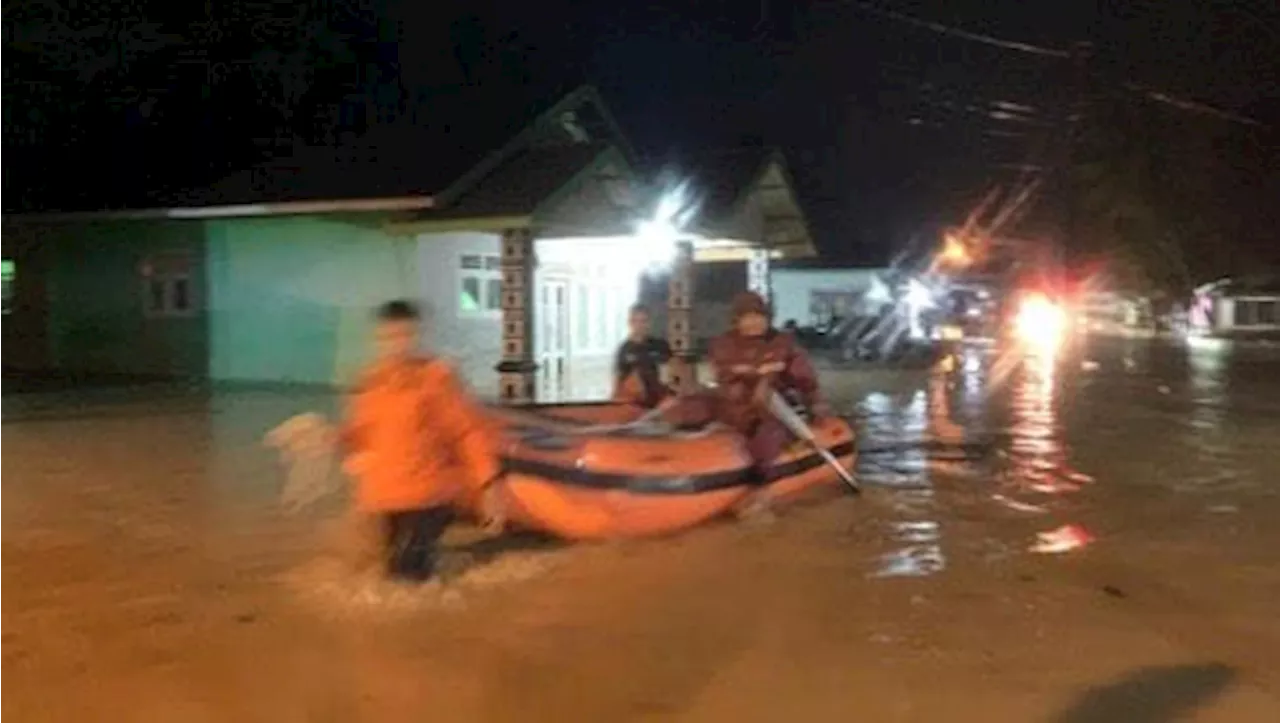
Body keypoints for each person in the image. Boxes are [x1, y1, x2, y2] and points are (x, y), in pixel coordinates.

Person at [338, 300, 500, 583]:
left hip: (429, 495)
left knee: (405, 579)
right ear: (378, 339)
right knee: (390, 570)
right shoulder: (370, 382)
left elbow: (467, 432)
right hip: (385, 497)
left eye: (405, 335)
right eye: (390, 337)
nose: (397, 344)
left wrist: (489, 485)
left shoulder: (436, 378)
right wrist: (329, 436)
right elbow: (361, 437)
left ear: (416, 336)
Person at [709, 291, 825, 510]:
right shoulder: (724, 344)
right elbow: (723, 375)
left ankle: (763, 488)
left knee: (768, 435)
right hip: (735, 410)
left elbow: (805, 379)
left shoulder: (783, 343)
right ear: (737, 320)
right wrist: (750, 377)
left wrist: (816, 405)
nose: (754, 323)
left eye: (759, 316)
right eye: (748, 317)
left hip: (772, 411)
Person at [612, 303, 676, 409]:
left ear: (650, 322)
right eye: (636, 321)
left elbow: (675, 371)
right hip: (638, 405)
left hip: (663, 403)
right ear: (630, 323)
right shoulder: (624, 349)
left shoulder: (660, 345)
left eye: (644, 321)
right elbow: (619, 382)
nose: (640, 325)